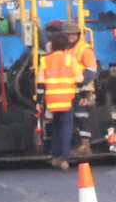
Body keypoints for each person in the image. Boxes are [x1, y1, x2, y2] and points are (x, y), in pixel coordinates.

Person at [38, 23, 82, 169]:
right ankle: (65, 159)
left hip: (51, 100)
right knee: (67, 127)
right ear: (66, 46)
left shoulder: (45, 60)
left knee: (55, 127)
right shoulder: (70, 59)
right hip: (67, 99)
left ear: (53, 46)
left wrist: (39, 101)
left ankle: (55, 157)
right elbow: (79, 79)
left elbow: (40, 83)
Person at [71, 30, 100, 159]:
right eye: (67, 34)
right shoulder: (68, 49)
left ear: (78, 35)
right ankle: (81, 145)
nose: (69, 36)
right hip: (72, 90)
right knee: (76, 117)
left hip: (83, 90)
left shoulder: (84, 49)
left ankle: (85, 146)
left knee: (82, 116)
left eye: (71, 34)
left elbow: (91, 70)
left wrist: (81, 85)